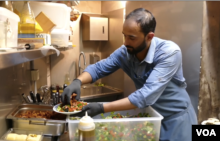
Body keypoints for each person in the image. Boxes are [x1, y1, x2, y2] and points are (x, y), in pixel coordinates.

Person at [61, 8, 197, 141]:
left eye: (131, 38)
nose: (125, 42)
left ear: (149, 37)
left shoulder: (169, 53)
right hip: (152, 119)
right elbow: (99, 68)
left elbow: (145, 96)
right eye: (124, 36)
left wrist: (101, 108)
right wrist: (77, 82)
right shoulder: (126, 51)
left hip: (177, 121)